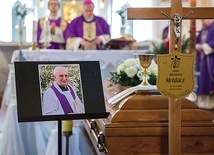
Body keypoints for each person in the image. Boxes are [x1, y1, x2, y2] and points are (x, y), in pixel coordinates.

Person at [195, 19, 214, 109]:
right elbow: (198, 41)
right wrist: (198, 46)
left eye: (204, 19)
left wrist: (203, 46)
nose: (202, 21)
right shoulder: (203, 29)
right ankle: (202, 103)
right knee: (201, 79)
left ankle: (210, 103)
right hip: (202, 58)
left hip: (210, 58)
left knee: (208, 80)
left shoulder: (213, 27)